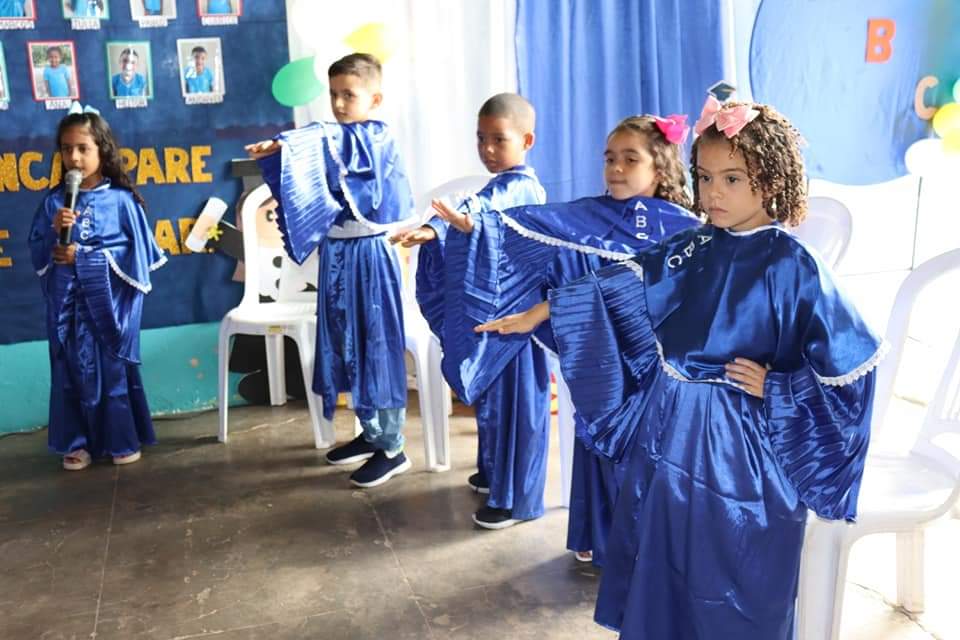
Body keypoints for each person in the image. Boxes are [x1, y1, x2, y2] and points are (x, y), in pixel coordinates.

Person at [506, 97, 884, 638]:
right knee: (666, 560)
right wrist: (538, 314)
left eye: (733, 179)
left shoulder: (793, 264)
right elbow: (618, 285)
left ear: (772, 180)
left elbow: (854, 366)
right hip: (670, 437)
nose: (713, 194)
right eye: (705, 178)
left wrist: (780, 387)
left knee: (736, 573)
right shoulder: (692, 246)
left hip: (743, 453)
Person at [435, 114, 699, 535]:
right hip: (598, 356)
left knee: (644, 452)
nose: (615, 168)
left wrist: (539, 313)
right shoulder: (590, 216)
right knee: (596, 437)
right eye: (609, 158)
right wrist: (478, 227)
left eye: (630, 159)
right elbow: (530, 225)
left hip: (652, 368)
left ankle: (643, 545)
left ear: (661, 167)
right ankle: (603, 536)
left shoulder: (684, 229)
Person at [246, 53, 416, 488]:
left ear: (375, 99)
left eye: (349, 95)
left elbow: (330, 145)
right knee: (345, 341)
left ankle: (394, 448)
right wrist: (281, 155)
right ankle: (370, 433)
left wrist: (289, 142)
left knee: (374, 345)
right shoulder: (337, 139)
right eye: (334, 94)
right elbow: (310, 172)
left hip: (369, 257)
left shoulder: (375, 138)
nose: (339, 104)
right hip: (338, 257)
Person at [391, 93, 550, 529]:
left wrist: (448, 227)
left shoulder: (520, 186)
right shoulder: (500, 185)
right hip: (501, 317)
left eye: (499, 139)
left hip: (519, 322)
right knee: (494, 402)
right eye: (481, 139)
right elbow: (471, 214)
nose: (488, 149)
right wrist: (437, 229)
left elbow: (481, 217)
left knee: (515, 407)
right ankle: (495, 475)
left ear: (527, 139)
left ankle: (515, 498)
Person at [28, 105, 166, 471]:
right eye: (66, 148)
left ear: (102, 150)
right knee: (70, 372)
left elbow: (133, 258)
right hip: (68, 310)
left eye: (83, 148)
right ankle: (77, 443)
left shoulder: (122, 202)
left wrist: (85, 257)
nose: (73, 157)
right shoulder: (54, 202)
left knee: (112, 373)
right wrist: (56, 239)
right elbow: (40, 252)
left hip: (108, 310)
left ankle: (121, 439)